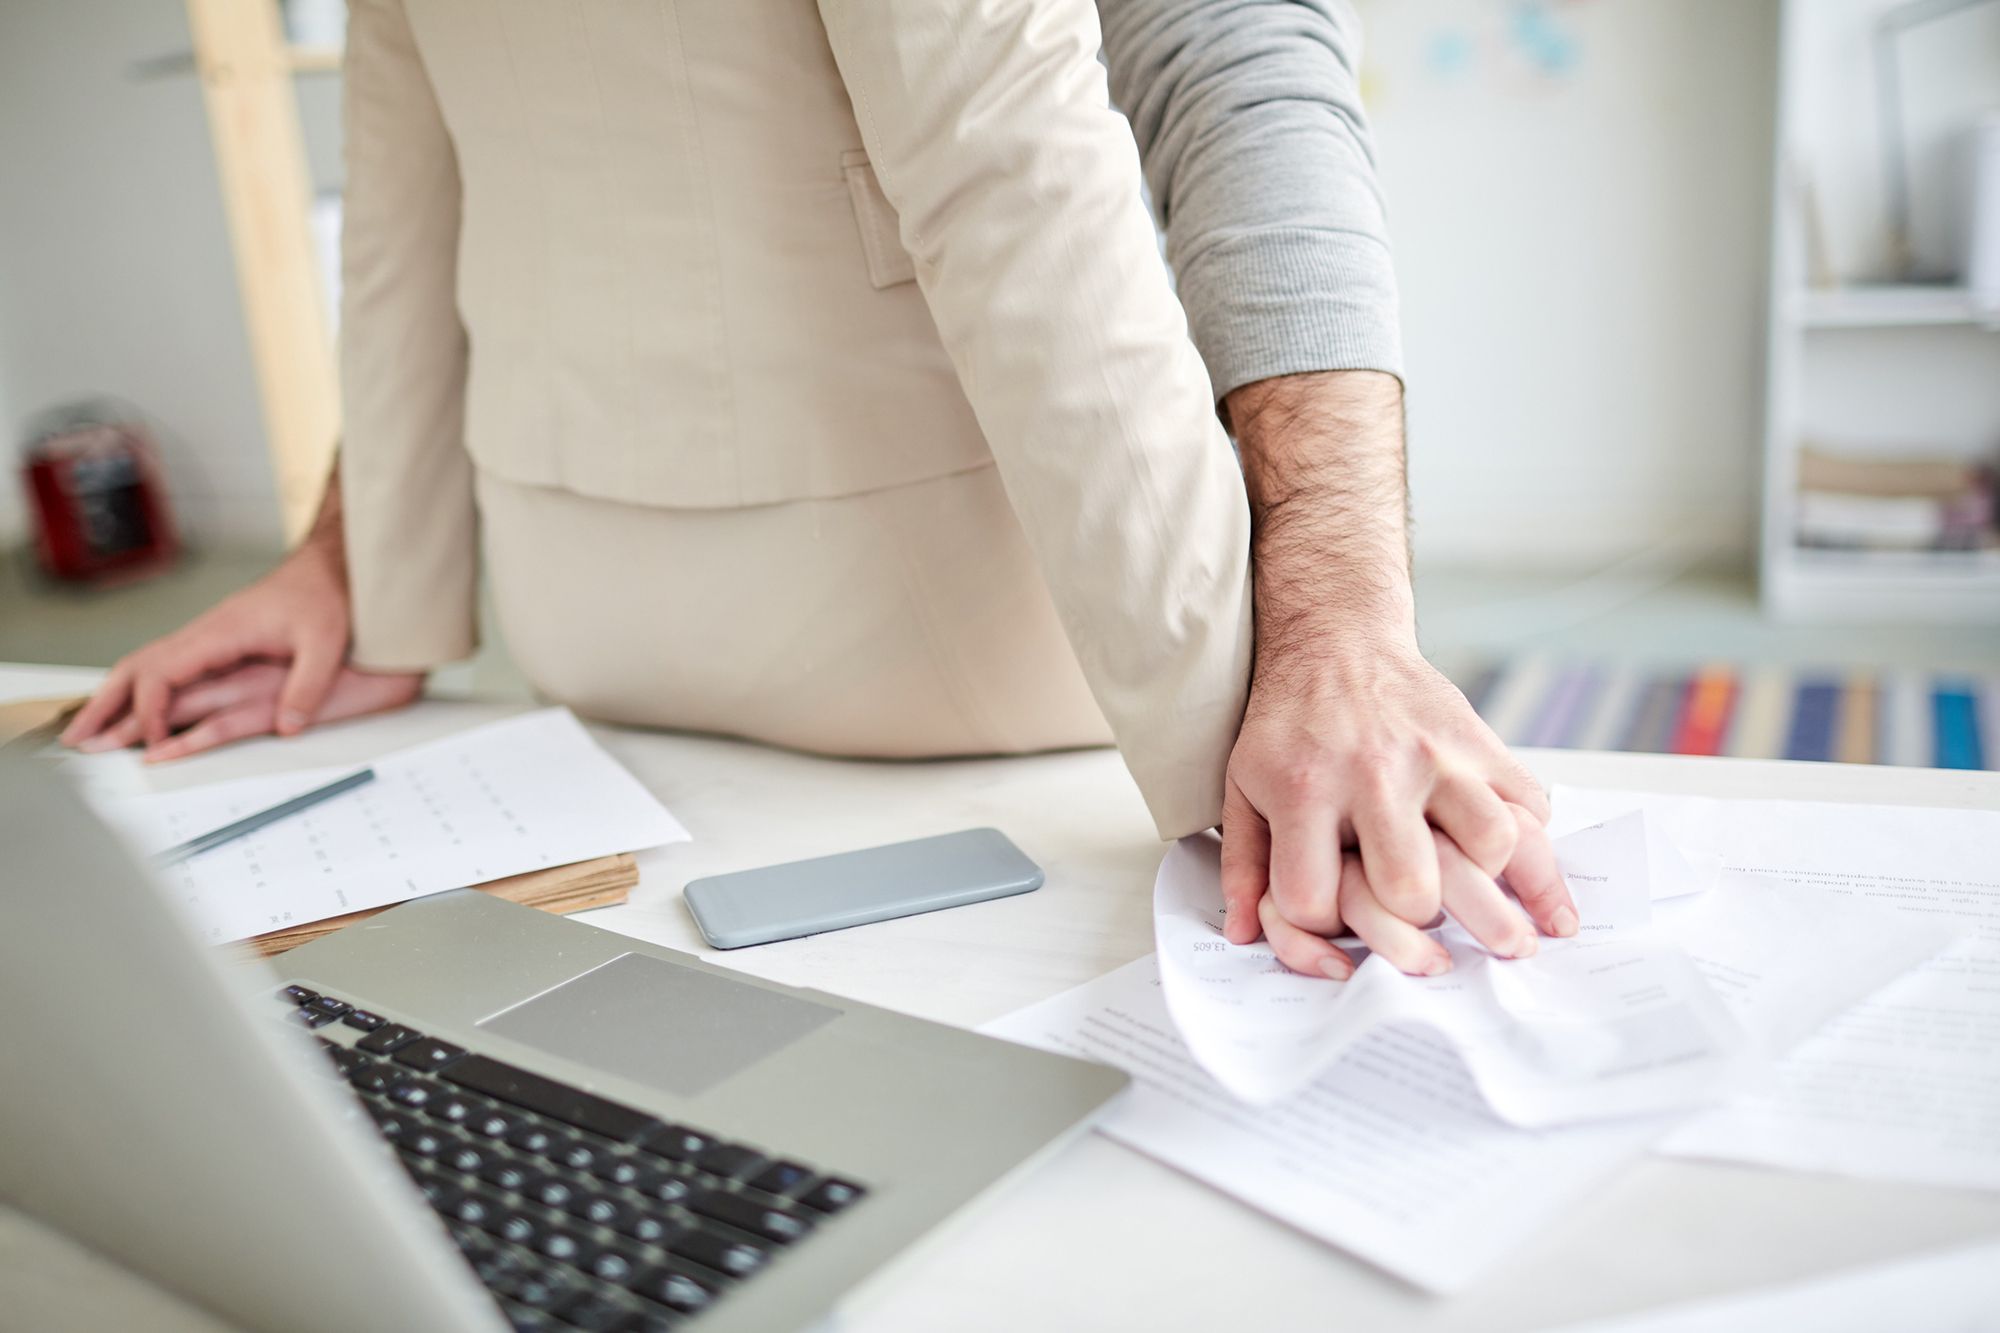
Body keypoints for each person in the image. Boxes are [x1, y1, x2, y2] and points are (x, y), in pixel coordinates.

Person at [63, 0, 1573, 975]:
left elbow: (402, 164)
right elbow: (1026, 156)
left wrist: (378, 568)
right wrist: (1251, 727)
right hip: (991, 655)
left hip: (595, 628)